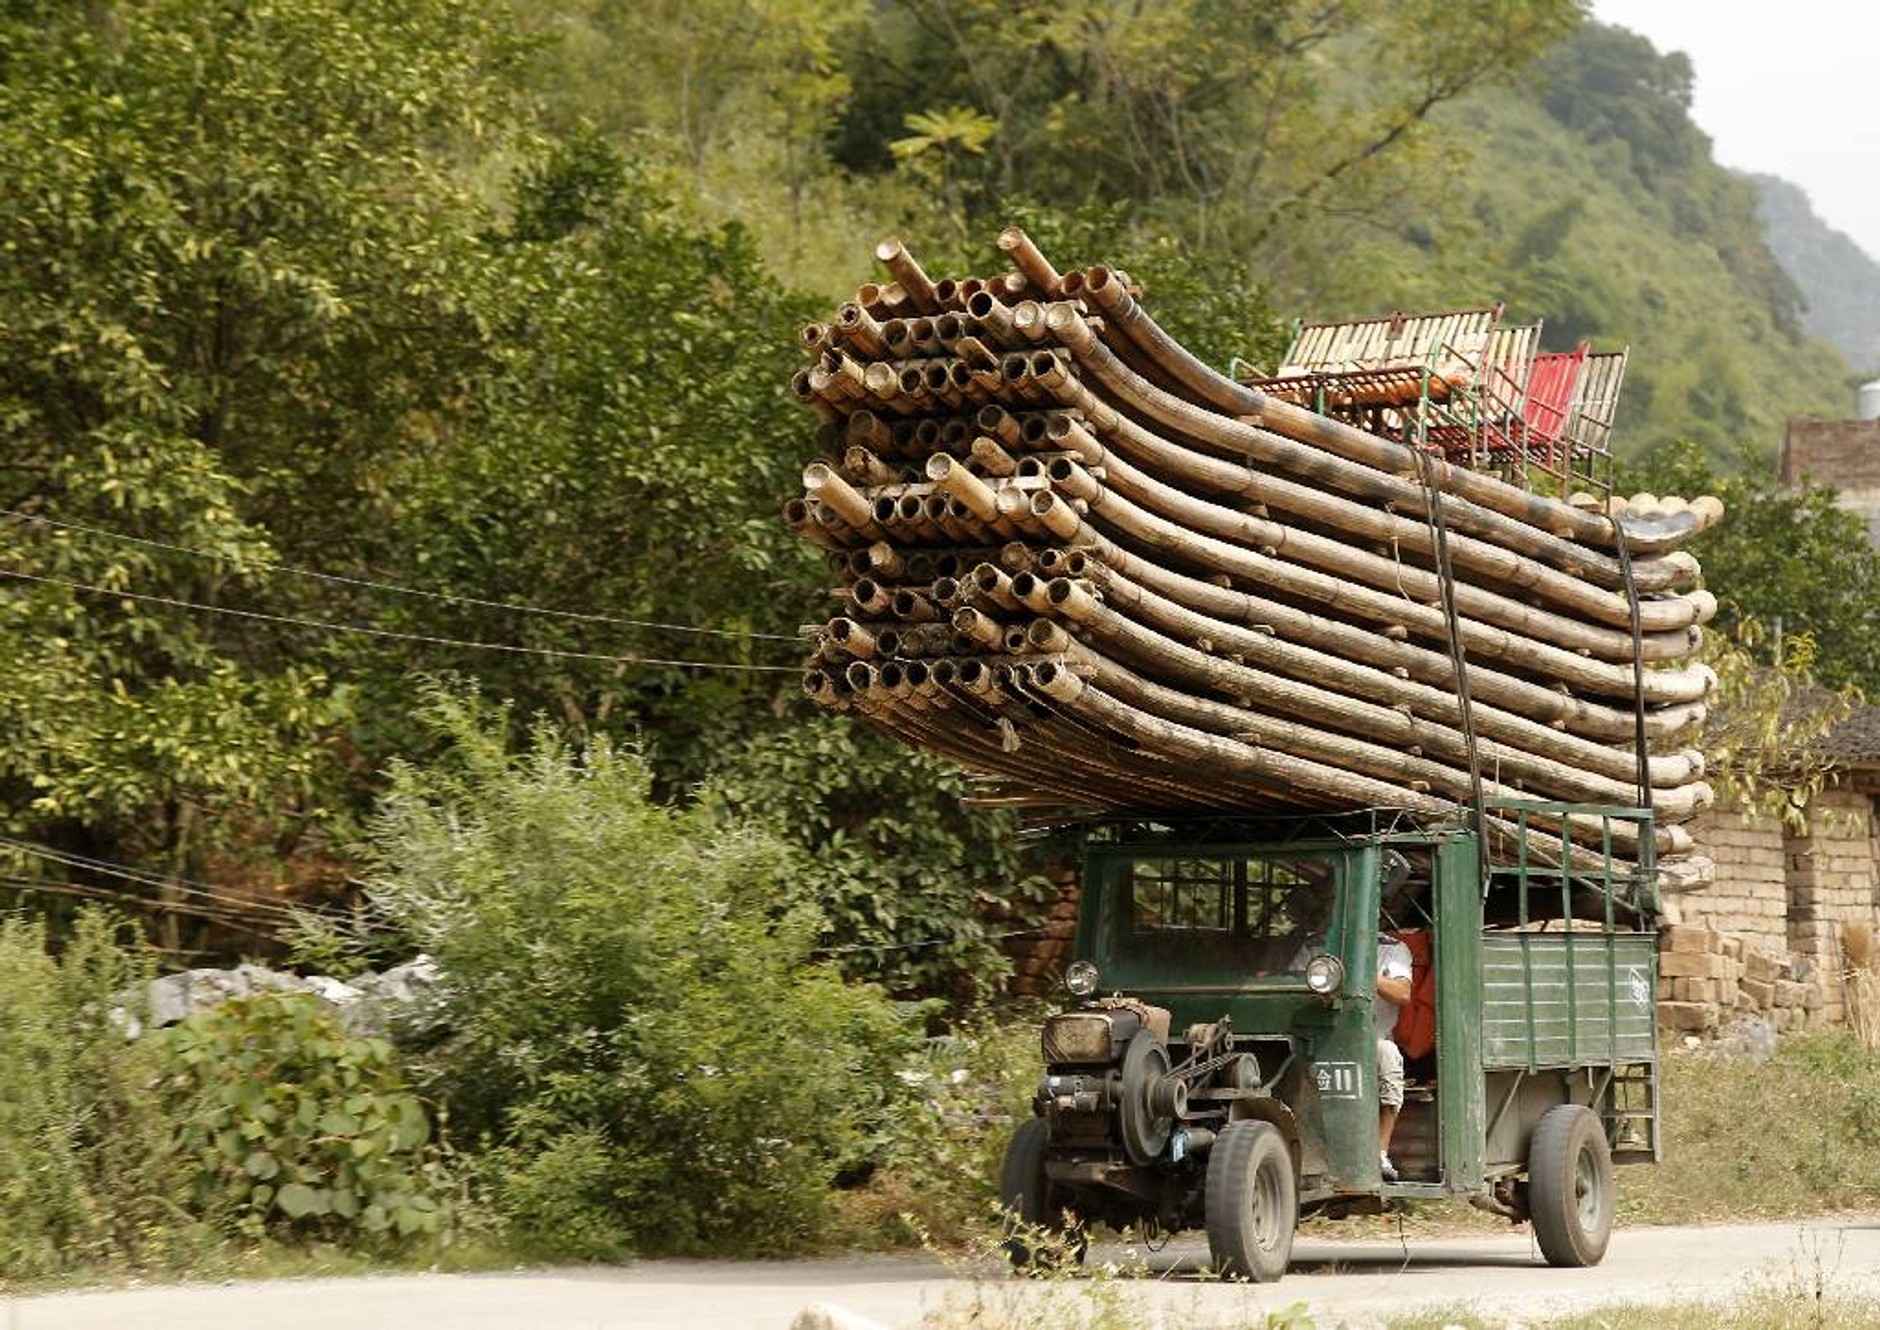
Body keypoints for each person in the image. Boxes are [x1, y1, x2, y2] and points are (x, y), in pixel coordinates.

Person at [1375, 931, 1414, 1181]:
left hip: (1372, 1038)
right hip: (1319, 1034)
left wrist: (1361, 976)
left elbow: (1403, 993)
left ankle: (1380, 1152)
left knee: (1388, 1055)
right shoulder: (1312, 943)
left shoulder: (1392, 948)